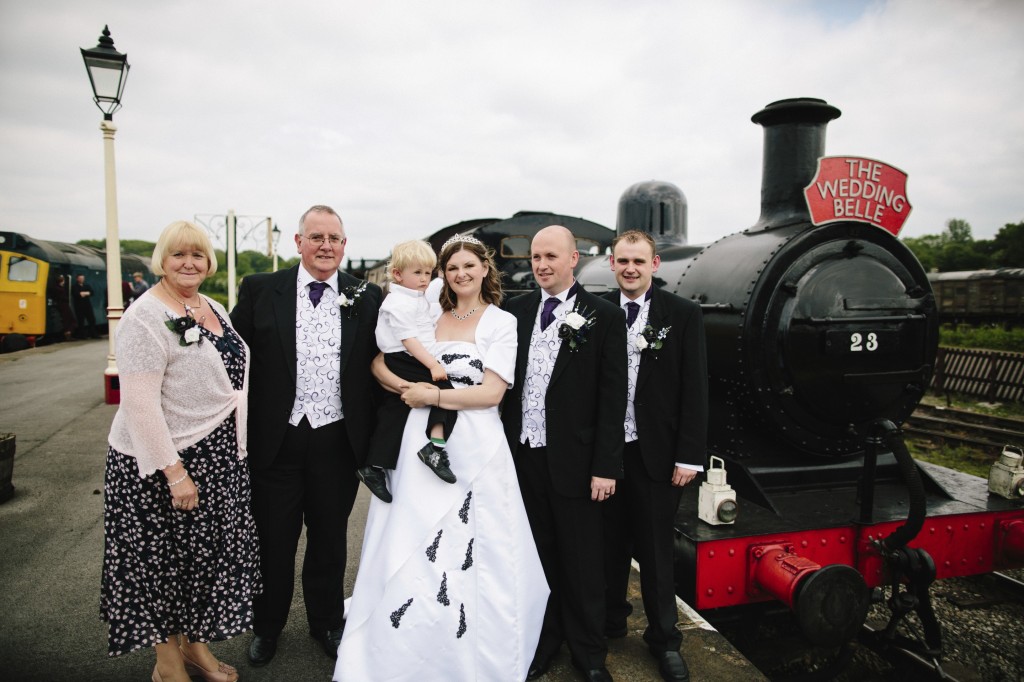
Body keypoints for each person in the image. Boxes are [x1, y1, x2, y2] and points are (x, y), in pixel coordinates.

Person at [335, 234, 547, 681]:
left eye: (469, 265)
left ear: (485, 269)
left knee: (475, 547)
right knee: (410, 535)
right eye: (452, 268)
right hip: (418, 438)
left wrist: (434, 393)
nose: (461, 274)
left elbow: (492, 393)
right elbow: (380, 360)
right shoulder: (428, 313)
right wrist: (402, 388)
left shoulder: (501, 323)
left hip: (475, 446)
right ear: (442, 275)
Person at [101, 220, 259, 682]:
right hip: (162, 462)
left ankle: (195, 649)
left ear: (209, 262)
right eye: (178, 255)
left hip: (216, 457)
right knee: (162, 566)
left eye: (197, 255)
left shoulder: (209, 305)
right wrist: (174, 473)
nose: (188, 263)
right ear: (162, 261)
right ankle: (167, 664)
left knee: (198, 563)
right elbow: (140, 406)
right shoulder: (144, 317)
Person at [230, 204, 383, 667]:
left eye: (334, 238)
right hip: (277, 440)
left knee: (330, 538)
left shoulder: (366, 295)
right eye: (316, 237)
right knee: (274, 540)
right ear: (298, 243)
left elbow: (387, 359)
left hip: (337, 440)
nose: (326, 246)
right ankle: (267, 626)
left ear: (344, 245)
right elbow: (231, 358)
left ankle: (327, 623)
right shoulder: (261, 290)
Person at [502, 225, 628, 682]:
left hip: (577, 464)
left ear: (573, 258)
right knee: (536, 558)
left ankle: (590, 654)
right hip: (522, 460)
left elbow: (615, 400)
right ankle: (543, 641)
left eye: (550, 256)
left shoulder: (604, 317)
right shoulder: (513, 313)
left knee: (582, 564)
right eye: (535, 257)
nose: (541, 265)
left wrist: (605, 467)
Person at [602, 230, 707, 682]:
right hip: (603, 455)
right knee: (605, 547)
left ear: (655, 264)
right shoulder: (594, 311)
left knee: (657, 555)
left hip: (658, 455)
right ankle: (609, 622)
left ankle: (665, 641)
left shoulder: (682, 314)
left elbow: (695, 389)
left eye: (638, 261)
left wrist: (689, 456)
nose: (630, 268)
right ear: (611, 263)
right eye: (622, 260)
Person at [358, 239, 457, 504]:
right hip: (403, 357)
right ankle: (435, 448)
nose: (425, 279)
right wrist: (433, 365)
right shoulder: (399, 303)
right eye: (418, 273)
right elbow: (409, 339)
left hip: (402, 356)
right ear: (398, 274)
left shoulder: (414, 298)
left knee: (394, 411)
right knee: (444, 392)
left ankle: (375, 465)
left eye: (428, 272)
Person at [49, 274, 76, 340]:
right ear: (61, 281)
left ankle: (67, 333)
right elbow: (63, 298)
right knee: (70, 320)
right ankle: (68, 334)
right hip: (64, 305)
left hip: (60, 305)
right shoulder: (60, 289)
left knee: (67, 320)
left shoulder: (55, 288)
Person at [72, 273, 99, 338]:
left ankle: (93, 334)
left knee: (92, 320)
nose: (82, 280)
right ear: (77, 279)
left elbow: (91, 292)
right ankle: (82, 335)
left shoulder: (86, 285)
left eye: (83, 278)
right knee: (81, 321)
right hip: (79, 306)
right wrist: (86, 293)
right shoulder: (75, 286)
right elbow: (76, 294)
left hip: (87, 305)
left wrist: (83, 293)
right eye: (80, 278)